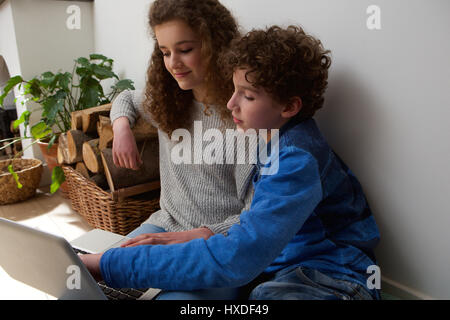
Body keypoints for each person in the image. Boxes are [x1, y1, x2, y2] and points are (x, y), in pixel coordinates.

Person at [82, 25, 381, 300]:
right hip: (277, 267)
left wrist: (106, 265)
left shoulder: (296, 160)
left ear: (290, 106)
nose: (230, 104)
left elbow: (236, 258)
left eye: (247, 96)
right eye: (233, 90)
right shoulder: (272, 138)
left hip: (333, 276)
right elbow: (251, 231)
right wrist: (199, 235)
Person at [104, 0, 255, 299]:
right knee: (92, 279)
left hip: (216, 247)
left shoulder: (245, 115)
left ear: (217, 45)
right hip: (163, 226)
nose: (173, 62)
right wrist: (121, 128)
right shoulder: (167, 99)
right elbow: (127, 99)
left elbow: (254, 218)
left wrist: (192, 238)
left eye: (185, 50)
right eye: (164, 52)